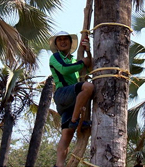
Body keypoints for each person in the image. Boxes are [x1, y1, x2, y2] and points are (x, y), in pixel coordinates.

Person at [49, 31, 94, 167]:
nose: (63, 42)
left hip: (72, 102)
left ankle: (59, 165)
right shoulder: (55, 57)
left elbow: (90, 67)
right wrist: (82, 63)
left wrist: (88, 52)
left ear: (70, 42)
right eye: (59, 40)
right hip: (62, 94)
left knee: (67, 134)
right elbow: (63, 69)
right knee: (88, 87)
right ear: (56, 44)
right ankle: (75, 120)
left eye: (65, 39)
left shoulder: (74, 60)